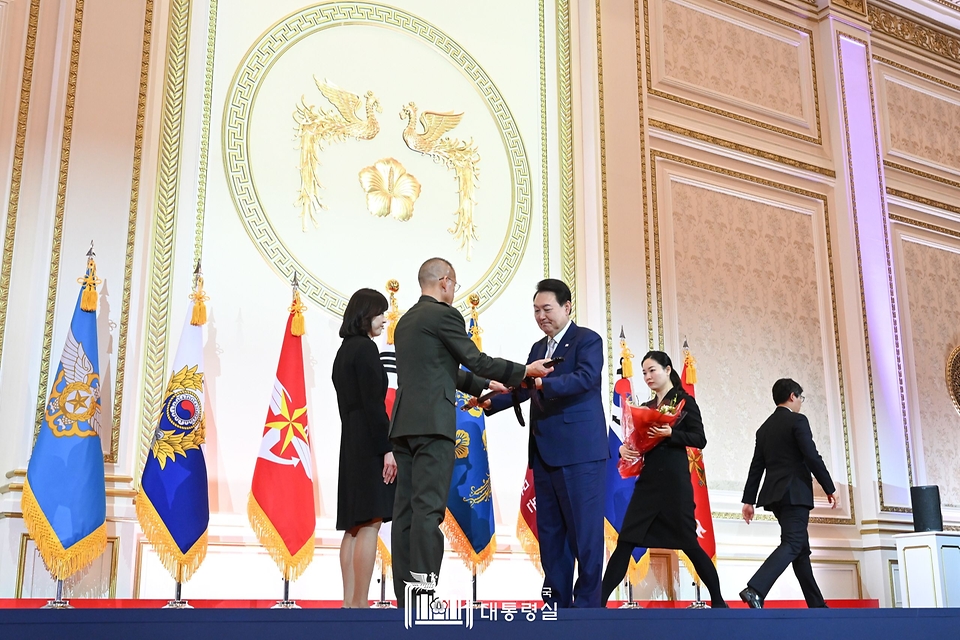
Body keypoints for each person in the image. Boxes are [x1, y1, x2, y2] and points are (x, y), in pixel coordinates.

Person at [389, 258, 554, 606]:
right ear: (445, 282)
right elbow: (474, 358)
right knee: (428, 511)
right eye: (455, 284)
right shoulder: (444, 316)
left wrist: (483, 384)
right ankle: (422, 596)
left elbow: (444, 369)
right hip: (433, 426)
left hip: (403, 425)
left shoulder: (405, 322)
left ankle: (405, 598)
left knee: (405, 512)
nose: (454, 291)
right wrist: (523, 370)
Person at [482, 278, 607, 608]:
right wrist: (493, 402)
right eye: (536, 310)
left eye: (547, 309)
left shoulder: (587, 341)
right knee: (551, 538)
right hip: (546, 455)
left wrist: (540, 381)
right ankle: (557, 607)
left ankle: (588, 611)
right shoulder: (539, 349)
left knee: (586, 538)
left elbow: (586, 379)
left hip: (581, 456)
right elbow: (525, 388)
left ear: (567, 307)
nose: (541, 316)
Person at [600, 350, 727, 608]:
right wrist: (625, 448)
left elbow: (699, 438)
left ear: (668, 370)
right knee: (626, 540)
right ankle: (598, 603)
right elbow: (636, 442)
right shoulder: (645, 408)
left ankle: (718, 601)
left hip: (674, 484)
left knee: (689, 544)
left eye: (652, 370)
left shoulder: (684, 401)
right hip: (648, 484)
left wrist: (671, 432)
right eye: (644, 372)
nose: (647, 376)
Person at [739, 378, 837, 609]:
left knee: (800, 550)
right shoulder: (798, 421)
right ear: (793, 396)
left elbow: (756, 466)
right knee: (793, 543)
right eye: (801, 398)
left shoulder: (764, 428)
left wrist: (748, 500)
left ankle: (817, 605)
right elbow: (812, 456)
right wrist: (829, 487)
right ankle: (755, 589)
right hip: (795, 494)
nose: (801, 402)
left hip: (775, 497)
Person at [332, 288, 398, 608]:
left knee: (353, 524)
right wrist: (386, 448)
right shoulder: (367, 350)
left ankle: (348, 603)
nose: (384, 320)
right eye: (380, 313)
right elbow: (374, 405)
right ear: (365, 315)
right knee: (371, 521)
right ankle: (360, 604)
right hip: (370, 442)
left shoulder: (343, 351)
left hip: (350, 440)